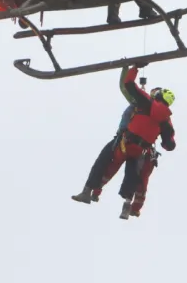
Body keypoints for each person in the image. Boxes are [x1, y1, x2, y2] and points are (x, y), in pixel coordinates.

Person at [70, 63, 176, 219]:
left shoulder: (145, 102)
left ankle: (88, 191)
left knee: (103, 162)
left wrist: (134, 68)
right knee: (133, 176)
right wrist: (162, 139)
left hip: (124, 144)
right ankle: (126, 207)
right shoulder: (166, 122)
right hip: (140, 151)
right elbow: (170, 144)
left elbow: (128, 85)